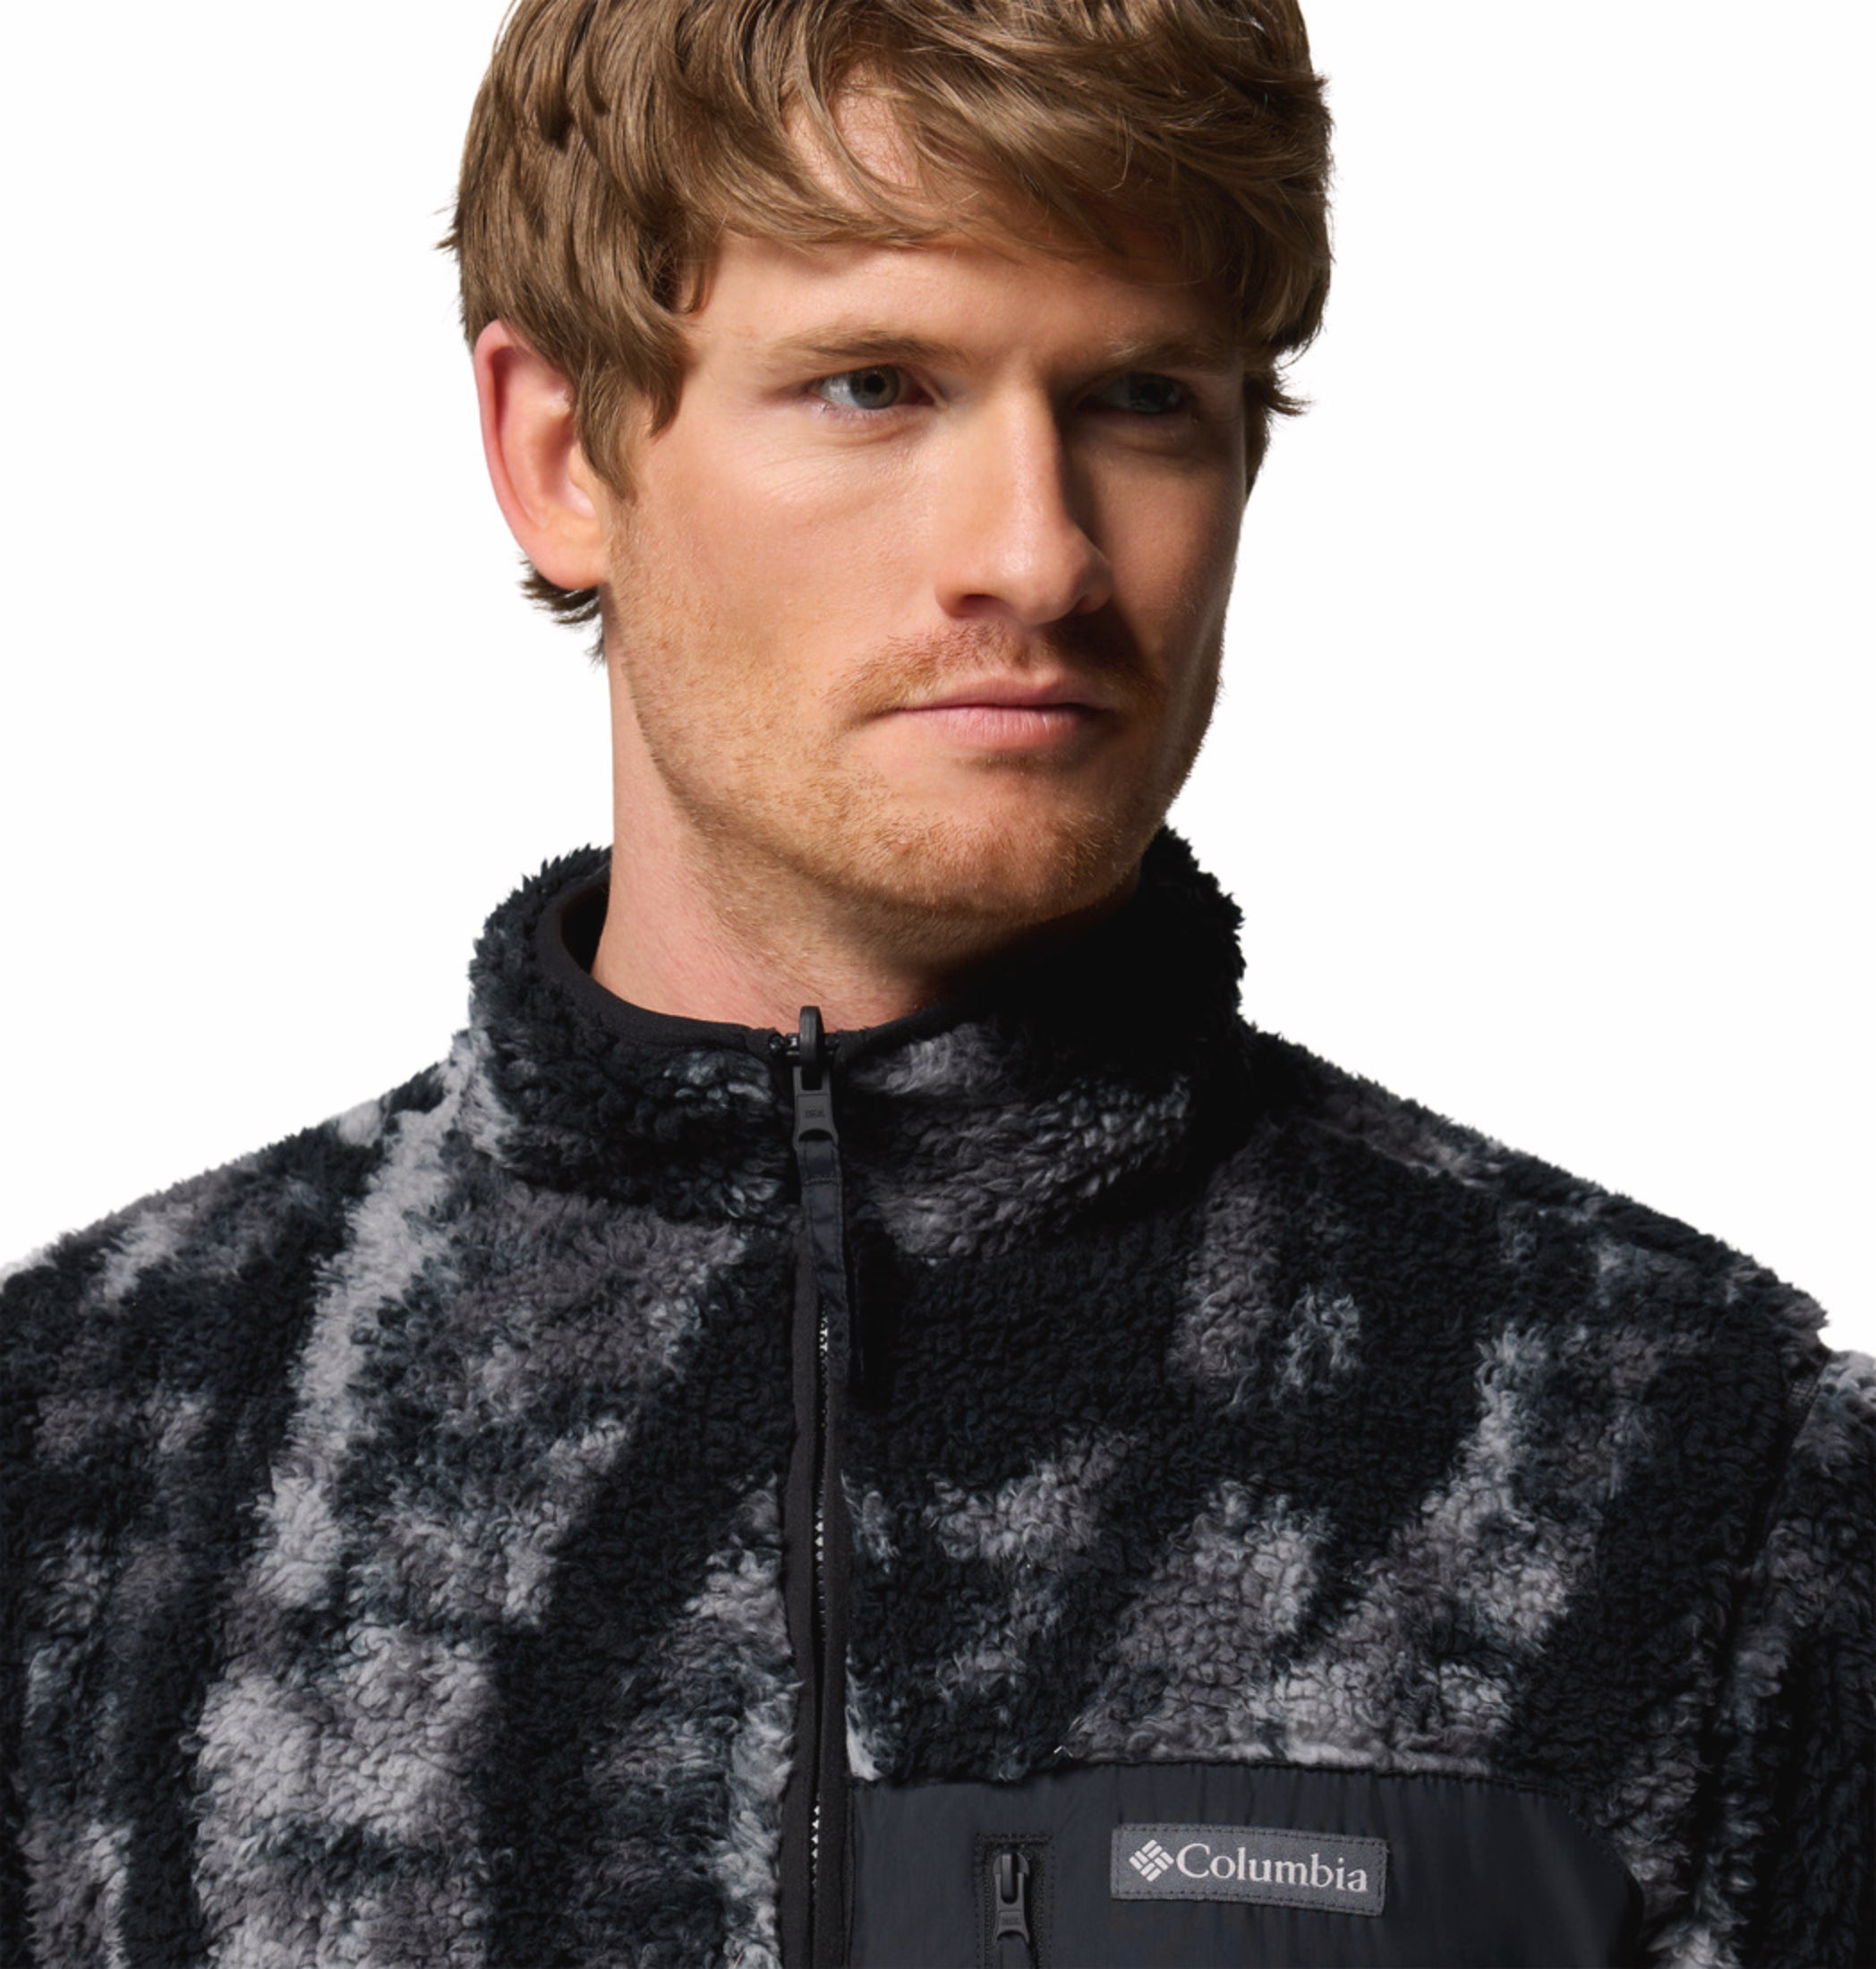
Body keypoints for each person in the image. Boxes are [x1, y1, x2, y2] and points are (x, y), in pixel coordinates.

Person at [2, 2, 1868, 1965]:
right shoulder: (84, 1451)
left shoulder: (1705, 1473)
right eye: (875, 385)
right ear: (560, 454)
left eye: (1140, 396)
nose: (1037, 556)